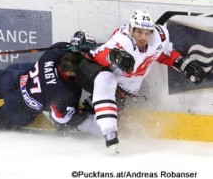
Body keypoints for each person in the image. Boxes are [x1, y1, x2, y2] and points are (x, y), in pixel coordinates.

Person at [76, 10, 206, 150]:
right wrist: (114, 55)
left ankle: (82, 119)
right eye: (139, 32)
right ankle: (105, 131)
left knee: (99, 127)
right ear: (131, 30)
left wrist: (181, 62)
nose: (143, 37)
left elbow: (162, 54)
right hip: (90, 70)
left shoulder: (159, 37)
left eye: (147, 33)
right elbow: (98, 56)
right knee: (106, 79)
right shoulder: (123, 40)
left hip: (120, 89)